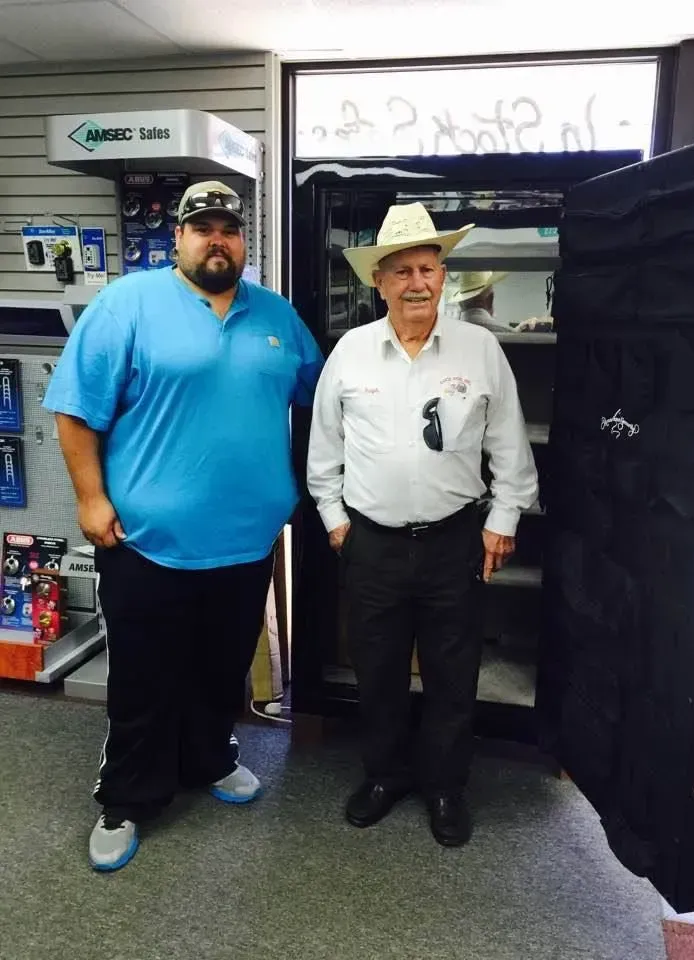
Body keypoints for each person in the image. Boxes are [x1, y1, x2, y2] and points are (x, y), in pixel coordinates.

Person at [43, 180, 323, 872]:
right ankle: (128, 797)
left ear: (244, 241)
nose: (216, 238)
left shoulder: (278, 318)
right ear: (178, 239)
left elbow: (323, 403)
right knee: (143, 675)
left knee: (221, 668)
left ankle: (209, 759)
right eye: (202, 228)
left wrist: (298, 490)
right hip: (145, 543)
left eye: (229, 227)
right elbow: (75, 412)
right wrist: (90, 500)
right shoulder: (124, 307)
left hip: (245, 542)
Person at [307, 202, 538, 847]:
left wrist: (503, 518)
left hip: (453, 541)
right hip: (371, 543)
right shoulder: (350, 354)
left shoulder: (480, 349)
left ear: (444, 276)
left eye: (428, 269)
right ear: (378, 281)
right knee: (376, 672)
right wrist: (334, 520)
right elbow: (324, 450)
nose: (417, 283)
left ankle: (444, 786)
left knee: (451, 673)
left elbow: (509, 446)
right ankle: (384, 776)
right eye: (402, 270)